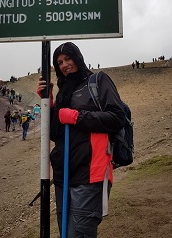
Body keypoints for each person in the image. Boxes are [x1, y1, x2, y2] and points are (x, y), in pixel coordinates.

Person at [37, 42, 125, 237]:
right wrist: (49, 105)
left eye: (68, 59)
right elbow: (54, 134)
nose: (64, 65)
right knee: (66, 233)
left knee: (79, 234)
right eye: (59, 62)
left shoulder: (98, 81)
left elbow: (117, 118)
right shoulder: (64, 92)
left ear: (78, 58)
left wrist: (77, 117)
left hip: (90, 173)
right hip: (63, 175)